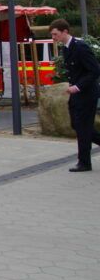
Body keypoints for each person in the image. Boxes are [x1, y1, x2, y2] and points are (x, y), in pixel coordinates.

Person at [50, 19, 100, 172]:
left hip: (86, 93)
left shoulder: (80, 47)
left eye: (55, 34)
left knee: (83, 128)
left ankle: (84, 163)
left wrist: (78, 86)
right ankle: (84, 161)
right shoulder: (66, 48)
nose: (53, 37)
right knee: (77, 125)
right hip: (77, 93)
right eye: (52, 35)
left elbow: (95, 70)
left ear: (65, 31)